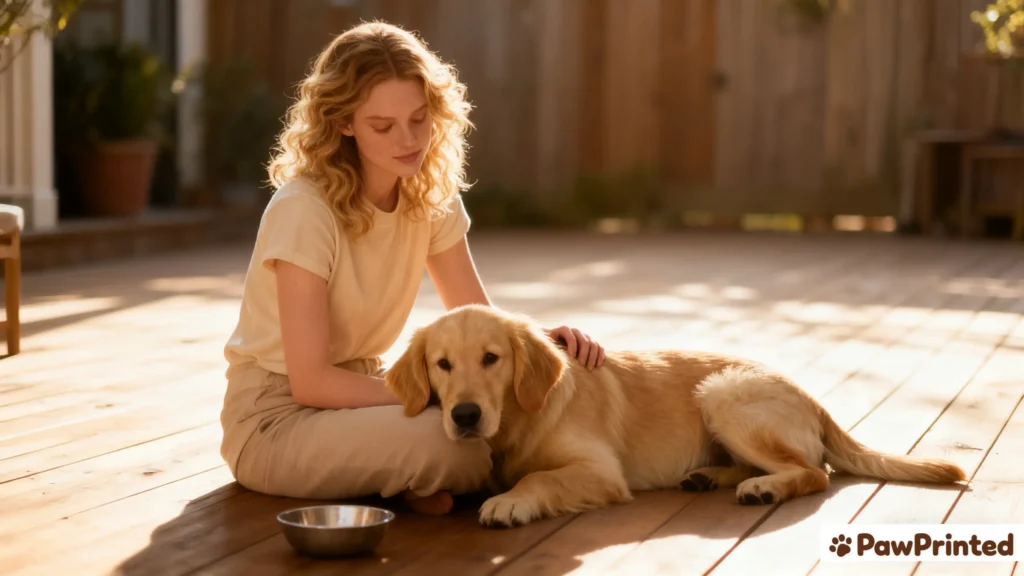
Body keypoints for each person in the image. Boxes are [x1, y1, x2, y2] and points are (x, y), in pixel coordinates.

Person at [218, 21, 605, 516]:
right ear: (343, 122)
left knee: (500, 425)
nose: (409, 140)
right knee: (458, 444)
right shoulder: (303, 209)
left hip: (366, 392)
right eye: (384, 126)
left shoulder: (428, 196)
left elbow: (475, 317)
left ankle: (393, 478)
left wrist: (540, 341)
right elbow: (311, 382)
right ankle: (399, 474)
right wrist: (431, 397)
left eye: (420, 119)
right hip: (276, 418)